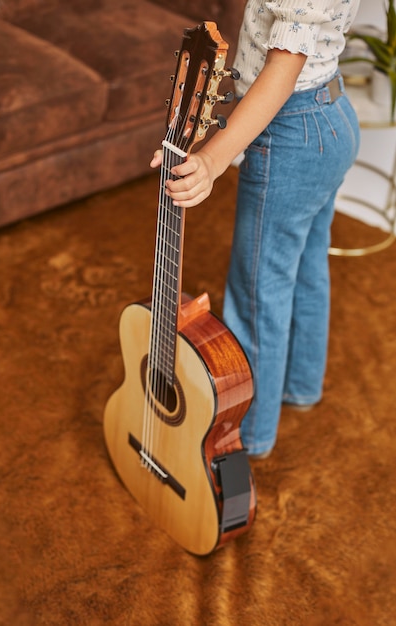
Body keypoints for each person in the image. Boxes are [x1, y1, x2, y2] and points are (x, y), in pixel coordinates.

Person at [150, 0, 361, 459]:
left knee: (258, 289)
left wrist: (212, 158)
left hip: (292, 132)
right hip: (332, 113)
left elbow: (284, 68)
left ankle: (250, 434)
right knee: (305, 265)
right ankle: (302, 384)